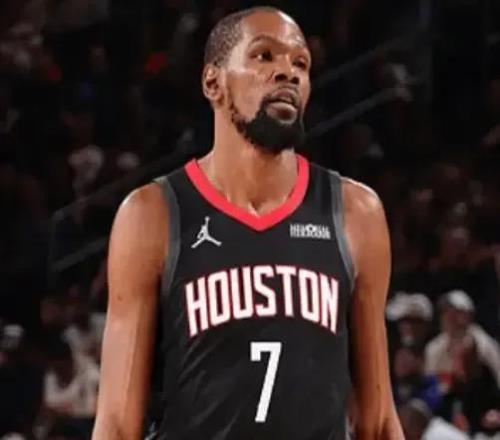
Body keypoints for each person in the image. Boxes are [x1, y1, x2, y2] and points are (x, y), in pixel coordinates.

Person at [93, 6, 403, 440]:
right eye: (264, 56)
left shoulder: (356, 212)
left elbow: (379, 420)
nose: (288, 72)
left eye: (301, 63)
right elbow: (116, 424)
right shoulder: (152, 214)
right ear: (213, 82)